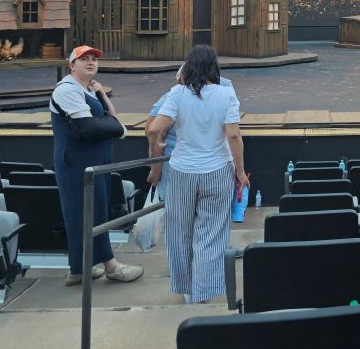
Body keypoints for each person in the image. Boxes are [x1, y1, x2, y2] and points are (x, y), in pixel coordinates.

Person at [146, 44, 248, 304]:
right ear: (215, 67)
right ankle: (204, 290)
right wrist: (241, 172)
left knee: (179, 232)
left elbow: (154, 127)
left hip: (182, 171)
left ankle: (186, 289)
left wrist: (156, 147)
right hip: (217, 170)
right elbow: (233, 135)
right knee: (211, 232)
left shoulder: (177, 93)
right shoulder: (226, 95)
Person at [50, 45, 144, 286]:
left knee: (95, 210)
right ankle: (110, 265)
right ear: (72, 65)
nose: (91, 62)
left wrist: (101, 94)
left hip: (93, 162)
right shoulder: (66, 90)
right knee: (83, 212)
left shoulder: (87, 91)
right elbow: (89, 127)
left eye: (94, 59)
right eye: (84, 59)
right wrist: (120, 130)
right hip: (77, 163)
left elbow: (111, 118)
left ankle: (79, 269)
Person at [146, 66, 237, 200]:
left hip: (182, 167)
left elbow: (153, 132)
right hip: (203, 167)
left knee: (178, 214)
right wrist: (156, 169)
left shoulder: (175, 96)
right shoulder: (171, 99)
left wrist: (155, 169)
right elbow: (154, 134)